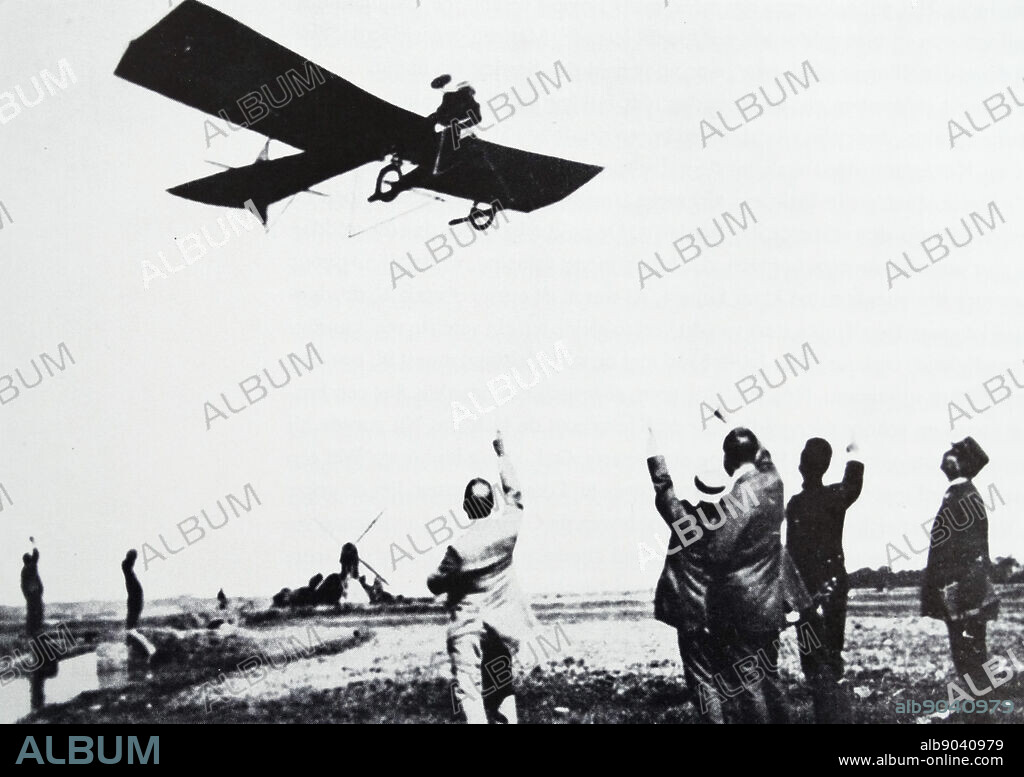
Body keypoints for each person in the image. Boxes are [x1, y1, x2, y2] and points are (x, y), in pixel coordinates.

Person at [427, 430, 536, 724]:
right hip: (502, 625)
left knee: (469, 690)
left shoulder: (458, 549)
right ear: (491, 504)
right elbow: (515, 496)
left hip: (468, 629)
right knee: (502, 687)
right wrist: (502, 455)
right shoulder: (508, 530)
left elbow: (434, 583)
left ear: (465, 507)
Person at [706, 428, 804, 723]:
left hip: (741, 606)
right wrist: (753, 437)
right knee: (769, 678)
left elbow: (718, 553)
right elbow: (768, 460)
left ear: (727, 459)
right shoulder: (774, 484)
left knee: (748, 683)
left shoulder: (738, 497)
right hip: (771, 602)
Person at [645, 428, 724, 723]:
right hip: (726, 613)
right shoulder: (736, 524)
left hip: (690, 615)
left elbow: (662, 486)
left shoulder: (685, 520)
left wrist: (653, 443)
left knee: (701, 681)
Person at [785, 437, 864, 723]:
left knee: (813, 665)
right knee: (832, 659)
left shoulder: (794, 505)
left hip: (806, 599)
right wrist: (855, 452)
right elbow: (853, 482)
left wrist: (788, 603)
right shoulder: (835, 497)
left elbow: (790, 559)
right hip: (832, 594)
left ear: (801, 465)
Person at [921, 437, 998, 701]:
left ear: (963, 464)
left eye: (954, 452)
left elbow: (973, 555)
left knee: (971, 664)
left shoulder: (964, 496)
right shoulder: (960, 493)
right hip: (962, 597)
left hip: (966, 598)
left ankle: (981, 723)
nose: (947, 454)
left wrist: (965, 606)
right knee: (969, 664)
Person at [427, 74, 481, 174]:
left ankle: (443, 169)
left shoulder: (472, 104)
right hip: (447, 129)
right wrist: (435, 119)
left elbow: (476, 119)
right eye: (463, 90)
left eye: (467, 91)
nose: (465, 93)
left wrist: (459, 126)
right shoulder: (449, 97)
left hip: (456, 132)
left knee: (452, 151)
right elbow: (440, 112)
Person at [21, 539, 44, 637]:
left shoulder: (24, 571)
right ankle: (36, 632)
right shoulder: (31, 567)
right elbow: (36, 555)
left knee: (31, 614)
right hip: (34, 594)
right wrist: (34, 542)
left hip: (30, 595)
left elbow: (22, 586)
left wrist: (27, 595)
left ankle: (30, 632)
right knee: (38, 613)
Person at [122, 549, 144, 629]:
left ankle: (131, 626)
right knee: (135, 609)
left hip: (134, 592)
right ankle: (130, 627)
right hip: (134, 592)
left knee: (135, 609)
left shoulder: (127, 567)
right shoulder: (126, 566)